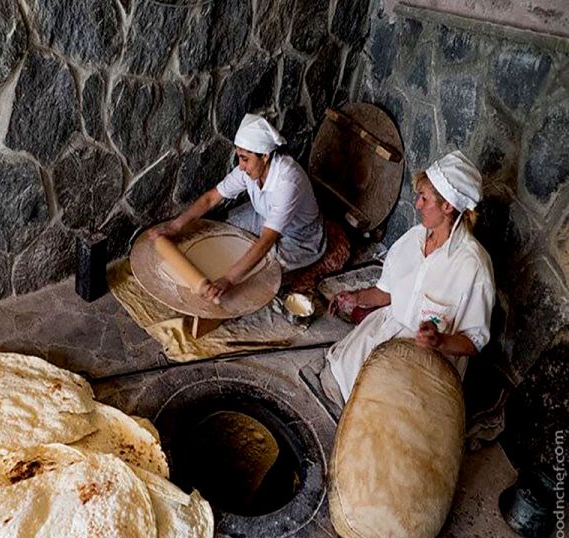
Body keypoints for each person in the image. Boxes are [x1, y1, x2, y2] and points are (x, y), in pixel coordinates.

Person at [320, 150, 495, 407]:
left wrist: (439, 340)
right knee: (338, 376)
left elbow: (474, 342)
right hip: (389, 328)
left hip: (429, 356)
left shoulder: (473, 267)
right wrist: (355, 297)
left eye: (424, 198)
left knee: (382, 411)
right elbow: (386, 292)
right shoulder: (414, 238)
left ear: (448, 205)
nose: (417, 204)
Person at [151, 113, 325, 303]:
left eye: (244, 159)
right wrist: (175, 226)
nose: (240, 166)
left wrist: (229, 279)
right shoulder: (249, 168)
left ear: (265, 156)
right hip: (263, 216)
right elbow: (211, 198)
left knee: (261, 274)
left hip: (300, 236)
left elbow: (266, 241)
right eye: (239, 158)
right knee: (221, 232)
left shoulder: (288, 182)